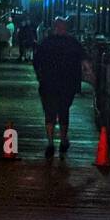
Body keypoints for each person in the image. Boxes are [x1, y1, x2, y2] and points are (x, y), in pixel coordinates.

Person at [32, 17, 87, 157]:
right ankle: (63, 140)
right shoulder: (73, 43)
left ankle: (50, 142)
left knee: (49, 113)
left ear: (54, 27)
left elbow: (36, 61)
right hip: (67, 84)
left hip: (48, 83)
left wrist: (40, 76)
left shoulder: (46, 43)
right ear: (66, 28)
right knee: (64, 111)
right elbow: (85, 62)